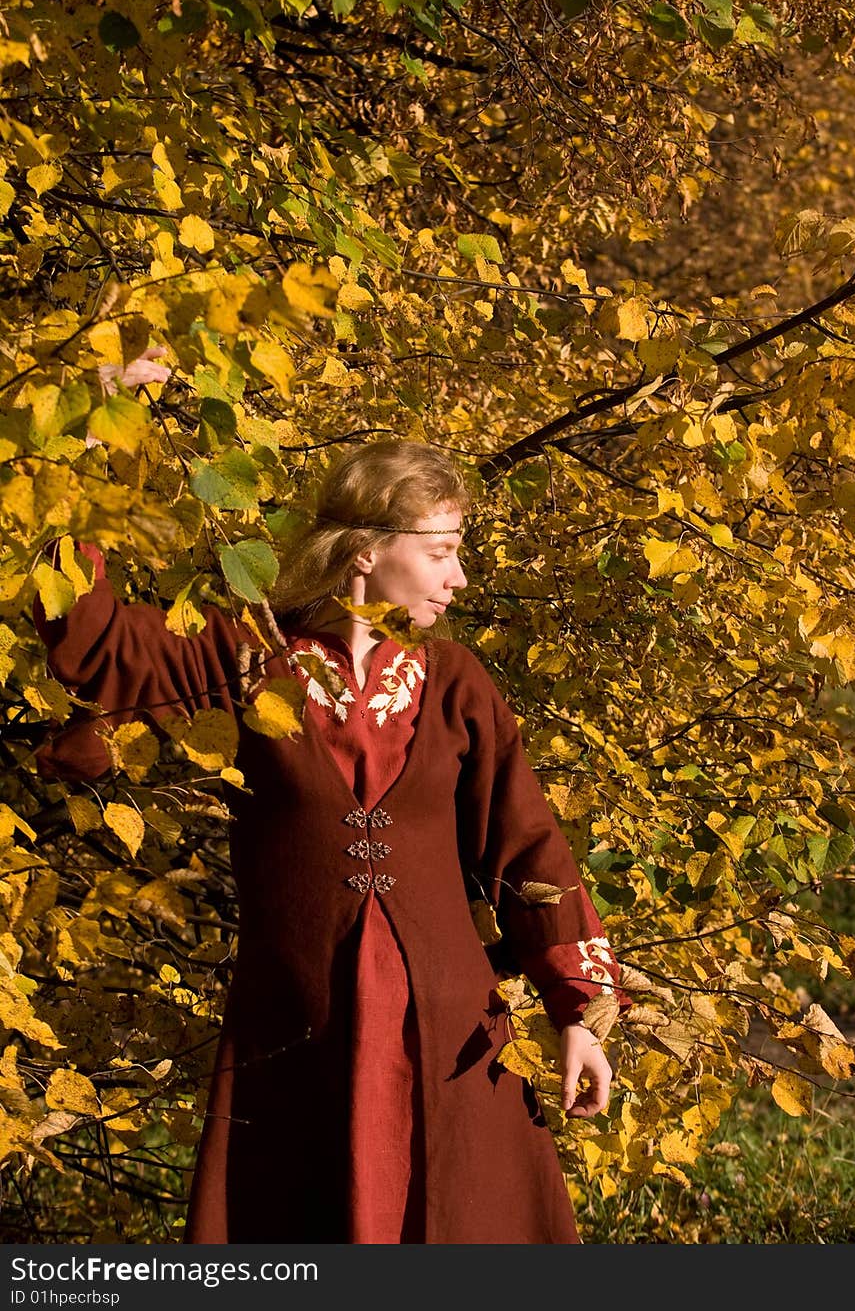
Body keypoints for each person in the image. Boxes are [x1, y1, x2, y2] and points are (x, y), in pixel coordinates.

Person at [33, 432, 630, 1245]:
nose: (459, 578)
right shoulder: (244, 655)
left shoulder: (455, 683)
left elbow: (529, 852)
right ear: (364, 551)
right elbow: (102, 648)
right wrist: (88, 439)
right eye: (442, 553)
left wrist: (579, 1015)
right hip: (296, 1028)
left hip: (451, 1036)